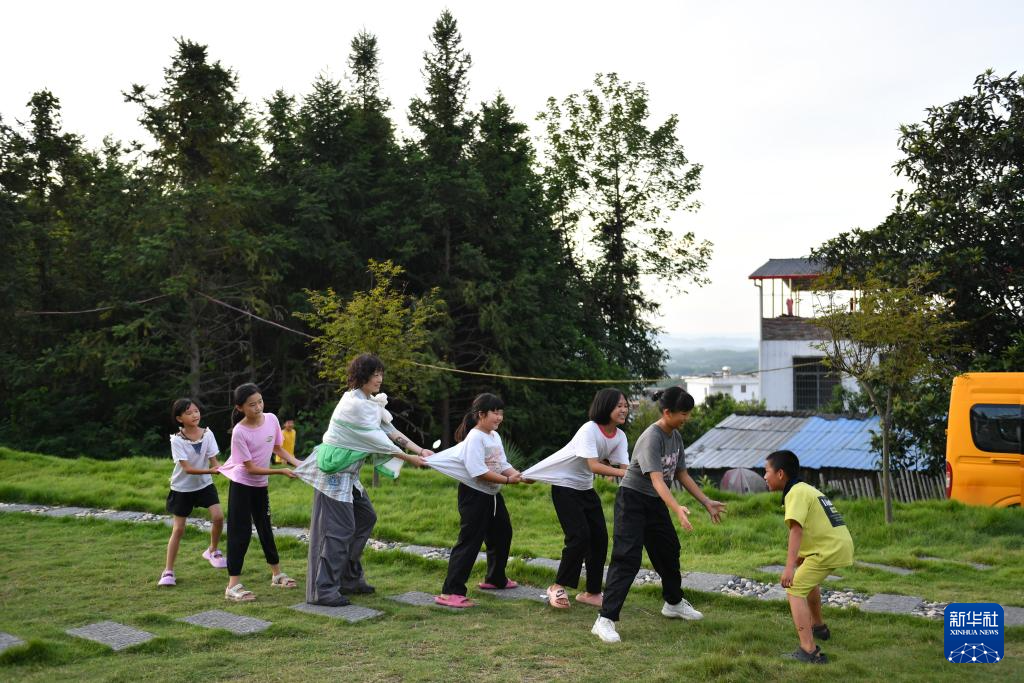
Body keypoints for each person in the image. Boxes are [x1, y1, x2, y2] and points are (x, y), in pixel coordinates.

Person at [591, 387, 727, 643]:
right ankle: (605, 619)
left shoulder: (675, 436)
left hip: (654, 501)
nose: (687, 418)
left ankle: (673, 603)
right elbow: (656, 479)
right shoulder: (651, 437)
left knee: (668, 550)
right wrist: (677, 509)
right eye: (683, 413)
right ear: (667, 412)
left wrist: (706, 501)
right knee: (627, 557)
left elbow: (681, 473)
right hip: (632, 500)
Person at [295, 353, 432, 607]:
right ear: (362, 376)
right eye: (374, 374)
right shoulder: (354, 404)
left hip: (350, 474)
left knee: (365, 517)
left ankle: (349, 577)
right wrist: (410, 459)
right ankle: (323, 590)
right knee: (340, 530)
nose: (379, 379)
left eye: (381, 374)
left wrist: (420, 450)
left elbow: (390, 431)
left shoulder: (369, 403)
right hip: (334, 473)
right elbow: (379, 441)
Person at [523, 388, 630, 609]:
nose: (624, 410)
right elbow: (594, 465)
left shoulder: (620, 436)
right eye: (619, 405)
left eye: (626, 406)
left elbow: (625, 467)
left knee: (599, 538)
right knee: (579, 537)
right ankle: (557, 586)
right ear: (605, 407)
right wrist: (624, 473)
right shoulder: (589, 429)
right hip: (564, 487)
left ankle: (592, 592)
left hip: (585, 488)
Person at [763, 449, 854, 664]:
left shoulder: (796, 492)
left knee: (794, 589)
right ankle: (819, 627)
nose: (764, 476)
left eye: (766, 471)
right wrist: (799, 558)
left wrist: (788, 568)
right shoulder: (804, 489)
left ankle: (809, 650)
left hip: (829, 549)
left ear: (780, 474)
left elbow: (796, 529)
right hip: (836, 544)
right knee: (807, 578)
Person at [434, 393, 525, 608]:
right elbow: (478, 472)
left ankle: (495, 578)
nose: (499, 417)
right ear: (481, 415)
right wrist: (508, 480)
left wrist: (520, 475)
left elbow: (502, 464)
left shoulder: (494, 436)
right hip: (474, 495)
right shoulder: (475, 438)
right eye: (495, 412)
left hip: (492, 495)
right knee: (470, 541)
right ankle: (451, 591)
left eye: (501, 412)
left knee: (502, 534)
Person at [219, 383, 302, 602]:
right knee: (241, 533)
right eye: (252, 405)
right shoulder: (239, 432)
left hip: (260, 486)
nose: (258, 407)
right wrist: (281, 471)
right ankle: (232, 586)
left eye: (260, 402)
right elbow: (250, 468)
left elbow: (278, 448)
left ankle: (277, 575)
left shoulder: (272, 419)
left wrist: (298, 463)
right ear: (240, 408)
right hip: (242, 485)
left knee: (265, 527)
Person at [158, 398, 226, 587]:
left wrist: (223, 469)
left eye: (196, 411)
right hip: (182, 488)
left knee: (219, 517)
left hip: (205, 484)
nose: (195, 415)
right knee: (179, 529)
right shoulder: (177, 440)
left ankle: (212, 551)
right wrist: (211, 470)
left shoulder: (208, 434)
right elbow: (187, 469)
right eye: (189, 413)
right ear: (179, 419)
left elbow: (214, 462)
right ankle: (168, 571)